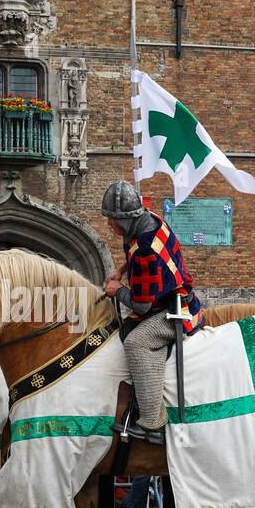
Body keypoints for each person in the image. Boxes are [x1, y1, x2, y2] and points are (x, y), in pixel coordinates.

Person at [100, 180, 202, 444]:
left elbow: (142, 304)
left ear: (125, 219)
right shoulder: (150, 220)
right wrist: (122, 271)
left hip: (175, 310)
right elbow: (141, 260)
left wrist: (116, 291)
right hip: (168, 299)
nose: (109, 225)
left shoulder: (145, 247)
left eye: (112, 220)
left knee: (137, 342)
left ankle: (152, 423)